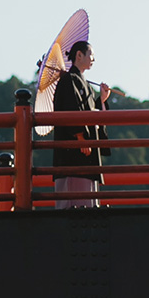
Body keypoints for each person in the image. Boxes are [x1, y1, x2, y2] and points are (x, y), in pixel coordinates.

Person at [52, 41, 109, 209]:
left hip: (86, 153)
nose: (93, 59)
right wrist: (80, 136)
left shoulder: (86, 86)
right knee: (73, 205)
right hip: (74, 153)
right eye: (91, 54)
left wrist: (102, 100)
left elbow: (91, 111)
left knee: (88, 203)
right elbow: (69, 108)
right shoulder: (68, 80)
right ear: (79, 55)